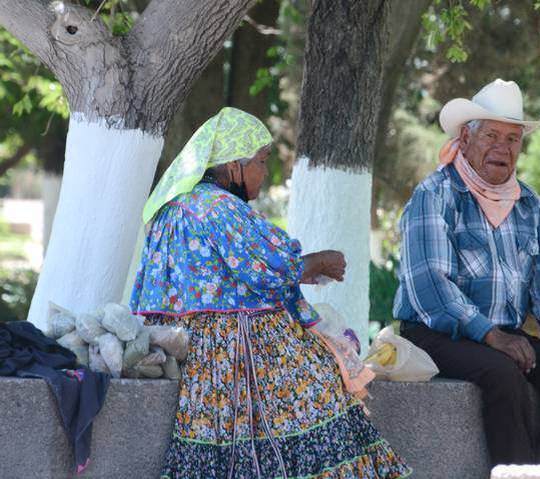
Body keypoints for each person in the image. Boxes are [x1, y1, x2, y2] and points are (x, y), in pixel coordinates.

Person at [132, 107, 410, 479]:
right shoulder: (218, 206)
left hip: (191, 342)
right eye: (261, 162)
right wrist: (318, 262)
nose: (265, 172)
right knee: (320, 382)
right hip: (232, 344)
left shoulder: (177, 206)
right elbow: (269, 268)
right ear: (234, 165)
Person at [393, 79, 540, 466]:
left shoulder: (528, 204)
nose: (503, 147)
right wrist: (489, 334)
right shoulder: (435, 194)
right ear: (465, 140)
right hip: (436, 333)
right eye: (491, 135)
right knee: (503, 373)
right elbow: (431, 285)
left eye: (513, 139)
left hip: (500, 334)